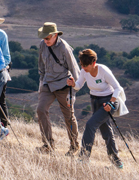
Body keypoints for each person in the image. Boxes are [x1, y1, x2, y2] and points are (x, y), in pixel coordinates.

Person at [67, 49, 127, 169]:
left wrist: (110, 103)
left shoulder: (103, 70)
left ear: (93, 63)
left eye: (86, 65)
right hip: (95, 101)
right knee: (106, 131)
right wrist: (73, 84)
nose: (83, 68)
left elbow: (118, 88)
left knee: (90, 125)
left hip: (110, 101)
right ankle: (117, 163)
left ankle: (84, 158)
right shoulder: (84, 71)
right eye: (81, 65)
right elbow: (79, 85)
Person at [36, 22, 79, 155]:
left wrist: (74, 90)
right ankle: (48, 144)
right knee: (41, 110)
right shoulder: (43, 45)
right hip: (48, 83)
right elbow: (41, 66)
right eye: (43, 38)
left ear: (55, 35)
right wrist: (41, 83)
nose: (45, 40)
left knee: (68, 116)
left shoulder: (64, 48)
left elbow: (74, 69)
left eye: (47, 38)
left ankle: (74, 146)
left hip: (63, 84)